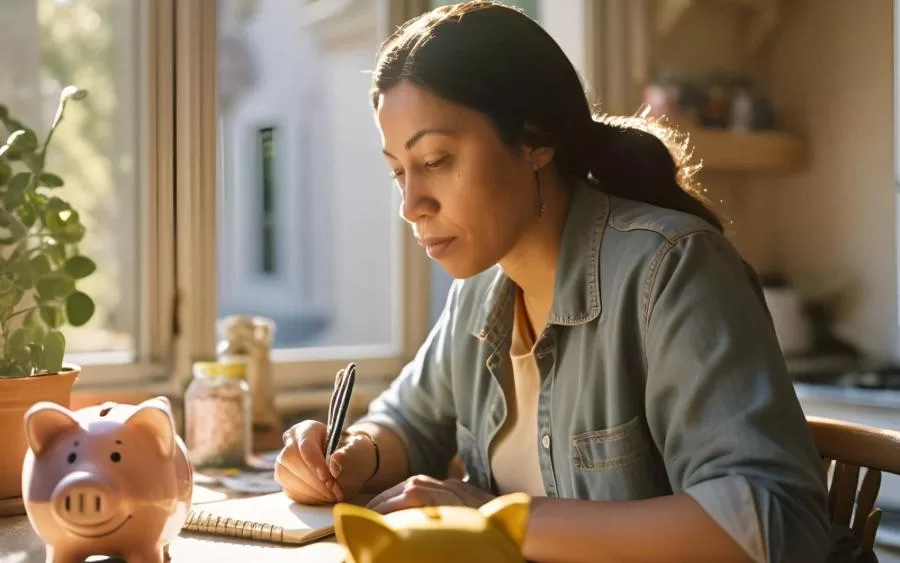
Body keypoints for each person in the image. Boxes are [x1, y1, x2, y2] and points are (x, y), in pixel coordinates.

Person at [275, 2, 831, 562]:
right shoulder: (479, 292)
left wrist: (503, 524)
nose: (411, 205)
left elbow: (775, 515)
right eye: (400, 171)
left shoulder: (671, 269)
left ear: (536, 139)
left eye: (437, 159)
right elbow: (410, 420)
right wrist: (351, 456)